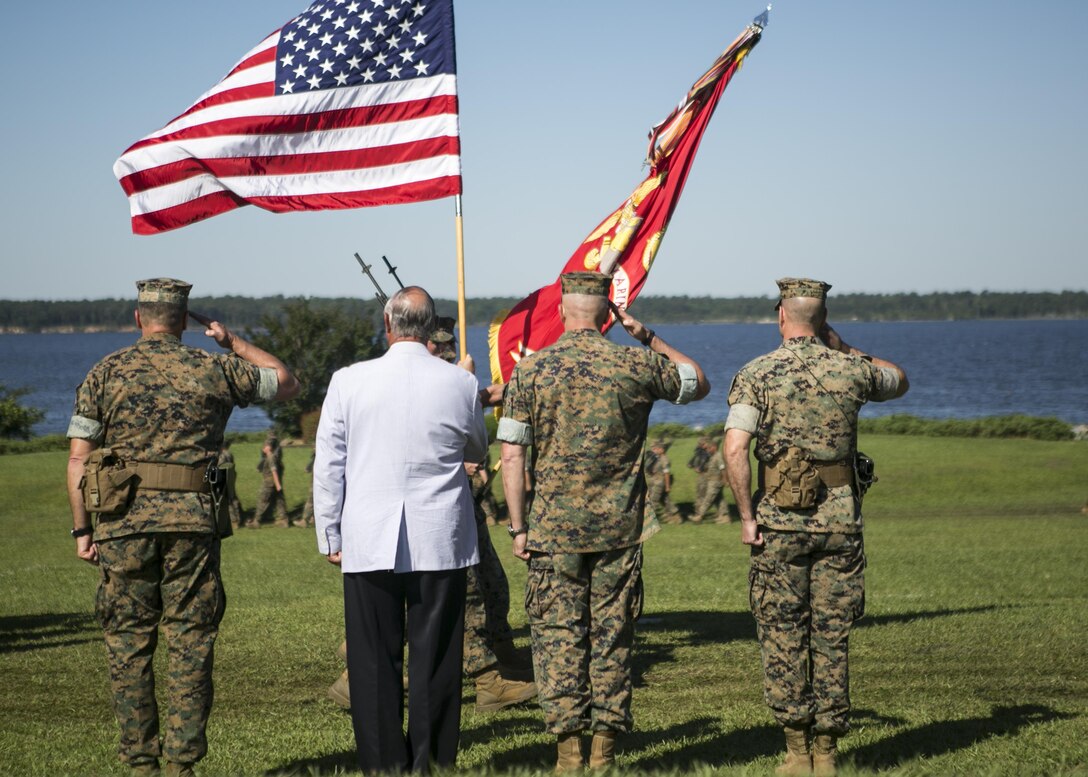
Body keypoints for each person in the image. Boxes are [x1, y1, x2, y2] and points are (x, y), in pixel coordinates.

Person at [65, 278, 300, 777]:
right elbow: (284, 380)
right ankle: (181, 766)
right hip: (193, 523)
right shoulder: (214, 367)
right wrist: (232, 341)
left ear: (138, 318)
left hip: (122, 523)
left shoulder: (105, 372)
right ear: (183, 321)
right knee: (191, 641)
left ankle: (140, 764)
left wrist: (82, 530)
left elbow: (78, 461)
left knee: (128, 643)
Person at [497, 272, 710, 771]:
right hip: (619, 530)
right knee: (611, 637)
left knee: (557, 638)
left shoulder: (531, 371)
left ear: (565, 312)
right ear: (606, 315)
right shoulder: (635, 362)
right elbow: (697, 382)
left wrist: (518, 527)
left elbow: (511, 456)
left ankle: (568, 751)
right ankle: (605, 751)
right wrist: (649, 337)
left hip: (552, 530)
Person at [723, 278, 909, 776]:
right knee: (832, 634)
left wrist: (746, 516)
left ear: (781, 317)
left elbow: (736, 449)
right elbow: (899, 379)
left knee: (782, 631)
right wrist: (844, 346)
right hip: (840, 523)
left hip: (779, 524)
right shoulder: (853, 370)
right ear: (822, 319)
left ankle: (796, 751)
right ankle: (827, 753)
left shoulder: (756, 374)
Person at [313, 286, 489, 774]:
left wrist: (329, 533)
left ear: (386, 324)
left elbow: (328, 464)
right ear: (431, 327)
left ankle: (385, 765)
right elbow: (476, 448)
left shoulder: (348, 380)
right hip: (440, 537)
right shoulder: (459, 383)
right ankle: (429, 761)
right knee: (435, 661)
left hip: (368, 537)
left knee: (372, 662)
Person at [690, 435, 730, 523]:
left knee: (708, 499)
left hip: (716, 482)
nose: (707, 450)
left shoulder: (718, 456)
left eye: (709, 448)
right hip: (711, 480)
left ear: (714, 447)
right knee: (719, 499)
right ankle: (724, 516)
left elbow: (723, 469)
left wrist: (725, 480)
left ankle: (699, 516)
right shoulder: (713, 456)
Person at [255, 430, 289, 527]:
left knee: (263, 498)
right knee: (279, 498)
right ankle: (283, 520)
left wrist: (277, 484)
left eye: (266, 446)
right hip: (276, 476)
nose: (264, 448)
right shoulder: (276, 450)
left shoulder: (271, 456)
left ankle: (257, 520)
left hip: (270, 480)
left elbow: (273, 470)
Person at [645, 438, 682, 524]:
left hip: (659, 482)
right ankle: (675, 516)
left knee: (653, 500)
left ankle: (647, 521)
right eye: (653, 449)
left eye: (655, 449)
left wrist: (667, 486)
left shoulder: (665, 460)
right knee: (664, 499)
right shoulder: (656, 458)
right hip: (654, 481)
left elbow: (666, 474)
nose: (653, 450)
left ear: (661, 450)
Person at [216, 439, 244, 528]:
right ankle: (239, 517)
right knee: (233, 497)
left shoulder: (222, 455)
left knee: (226, 500)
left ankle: (234, 521)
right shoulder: (229, 454)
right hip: (231, 475)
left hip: (224, 477)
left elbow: (220, 467)